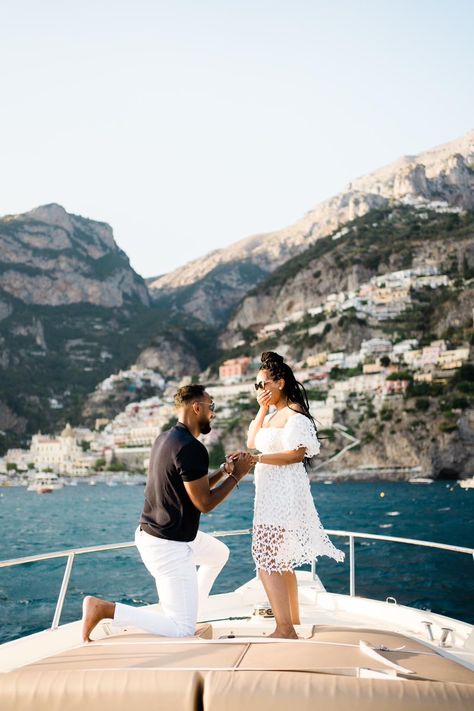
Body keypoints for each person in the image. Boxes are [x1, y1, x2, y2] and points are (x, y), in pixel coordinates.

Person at [81, 384, 253, 642]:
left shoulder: (166, 439)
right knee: (182, 631)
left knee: (219, 554)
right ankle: (105, 608)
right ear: (197, 408)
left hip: (160, 534)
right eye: (211, 407)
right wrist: (239, 475)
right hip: (167, 546)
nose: (213, 413)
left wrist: (225, 471)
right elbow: (204, 504)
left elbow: (191, 485)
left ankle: (191, 609)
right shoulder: (192, 449)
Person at [245, 351, 344, 639]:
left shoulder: (295, 414)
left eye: (262, 384)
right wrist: (261, 410)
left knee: (266, 561)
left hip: (283, 493)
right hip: (268, 493)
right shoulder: (272, 415)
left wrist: (256, 461)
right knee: (281, 560)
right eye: (256, 386)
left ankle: (284, 628)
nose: (259, 390)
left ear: (280, 382)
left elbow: (296, 454)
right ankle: (292, 623)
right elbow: (252, 440)